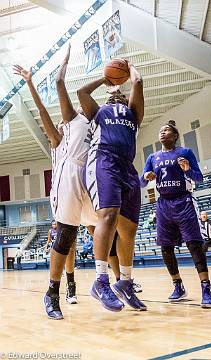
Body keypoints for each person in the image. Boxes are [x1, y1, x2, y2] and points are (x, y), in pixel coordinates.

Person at [13, 44, 97, 320]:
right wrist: (30, 83)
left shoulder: (90, 122)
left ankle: (109, 280)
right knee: (66, 238)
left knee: (104, 230)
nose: (62, 121)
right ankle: (54, 293)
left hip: (90, 182)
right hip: (67, 182)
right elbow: (43, 112)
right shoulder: (61, 137)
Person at [77, 60, 147, 312]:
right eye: (111, 95)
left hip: (127, 168)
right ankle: (100, 280)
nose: (115, 94)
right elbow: (81, 93)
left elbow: (138, 82)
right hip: (103, 161)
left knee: (128, 230)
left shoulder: (133, 114)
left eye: (120, 93)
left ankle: (125, 282)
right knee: (107, 216)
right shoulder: (98, 112)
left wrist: (129, 71)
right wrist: (105, 80)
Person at [140, 120, 211, 308]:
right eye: (160, 130)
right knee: (166, 248)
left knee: (194, 244)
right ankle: (178, 285)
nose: (162, 133)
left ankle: (206, 287)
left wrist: (187, 170)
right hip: (164, 204)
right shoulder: (153, 157)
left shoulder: (185, 152)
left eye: (166, 130)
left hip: (184, 201)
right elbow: (141, 183)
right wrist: (146, 177)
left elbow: (199, 177)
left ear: (175, 135)